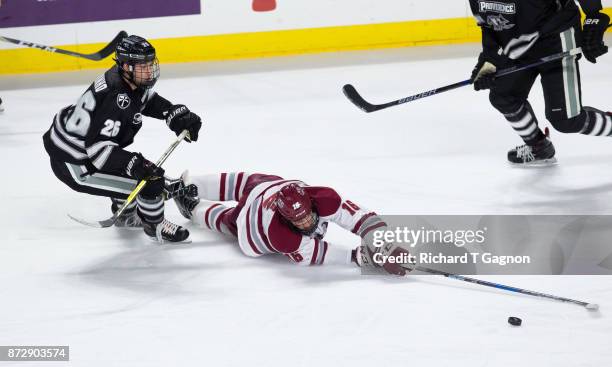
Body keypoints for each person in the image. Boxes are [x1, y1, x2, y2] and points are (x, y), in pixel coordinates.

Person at [42, 35, 202, 243]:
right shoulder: (117, 97)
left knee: (129, 166)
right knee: (148, 180)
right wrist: (134, 165)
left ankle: (126, 215)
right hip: (75, 165)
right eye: (142, 66)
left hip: (78, 147)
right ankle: (155, 226)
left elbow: (147, 100)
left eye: (149, 65)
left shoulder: (124, 80)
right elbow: (100, 153)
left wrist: (172, 114)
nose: (149, 71)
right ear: (126, 66)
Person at [170, 171, 412, 275]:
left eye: (308, 215)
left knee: (250, 179)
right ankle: (192, 202)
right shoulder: (280, 235)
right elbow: (319, 253)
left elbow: (360, 217)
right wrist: (360, 257)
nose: (306, 222)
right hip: (253, 227)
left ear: (310, 201)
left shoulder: (324, 197)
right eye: (299, 220)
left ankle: (192, 193)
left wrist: (383, 244)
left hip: (268, 187)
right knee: (227, 220)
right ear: (285, 217)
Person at [469, 0, 610, 165]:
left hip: (556, 36)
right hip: (519, 44)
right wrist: (489, 60)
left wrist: (594, 16)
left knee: (566, 120)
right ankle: (539, 147)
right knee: (504, 96)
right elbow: (489, 26)